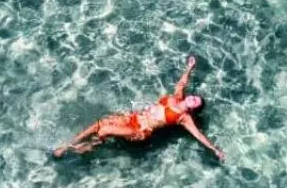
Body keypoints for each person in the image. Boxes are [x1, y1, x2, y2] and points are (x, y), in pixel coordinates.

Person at [53, 56, 225, 160]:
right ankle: (75, 144)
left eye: (195, 103)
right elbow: (182, 82)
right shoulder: (177, 96)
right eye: (194, 97)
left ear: (193, 109)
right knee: (98, 124)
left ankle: (69, 149)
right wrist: (189, 67)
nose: (193, 100)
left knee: (104, 131)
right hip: (133, 117)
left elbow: (198, 134)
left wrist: (214, 149)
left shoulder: (184, 118)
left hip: (140, 130)